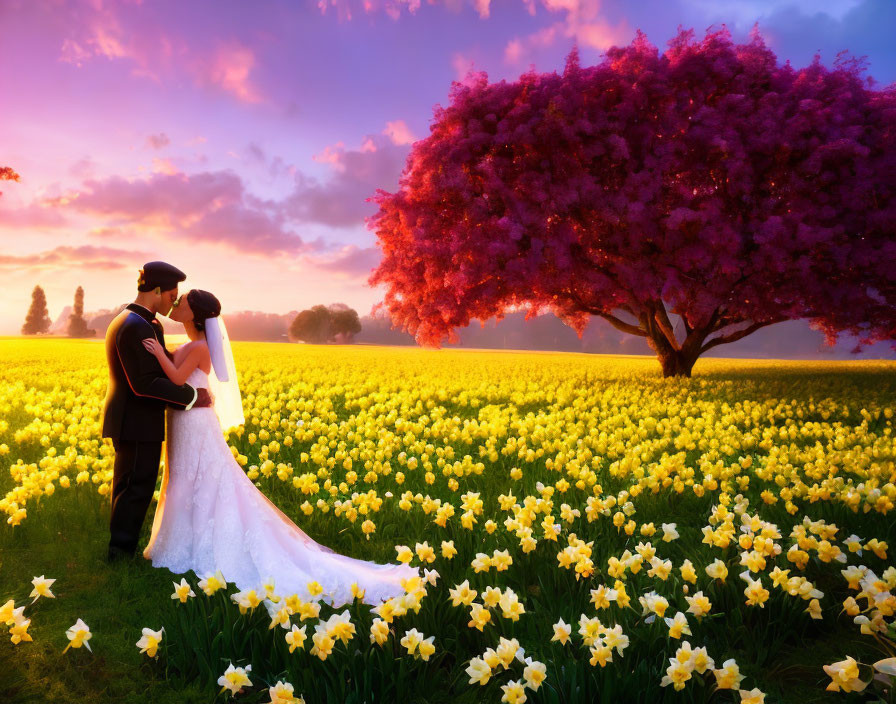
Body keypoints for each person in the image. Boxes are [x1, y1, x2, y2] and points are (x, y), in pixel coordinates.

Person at [141, 288, 417, 607]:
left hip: (195, 424)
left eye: (184, 302)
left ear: (195, 314)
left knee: (202, 480)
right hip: (182, 421)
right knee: (184, 480)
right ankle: (181, 542)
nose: (176, 304)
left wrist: (158, 353)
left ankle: (199, 544)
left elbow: (176, 379)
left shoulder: (202, 347)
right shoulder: (192, 344)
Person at [101, 262, 213, 563]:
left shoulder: (141, 321)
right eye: (171, 294)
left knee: (131, 484)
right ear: (157, 290)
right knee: (135, 486)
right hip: (136, 419)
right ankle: (120, 554)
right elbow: (144, 384)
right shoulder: (136, 325)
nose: (172, 301)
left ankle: (119, 550)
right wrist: (191, 396)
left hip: (136, 419)